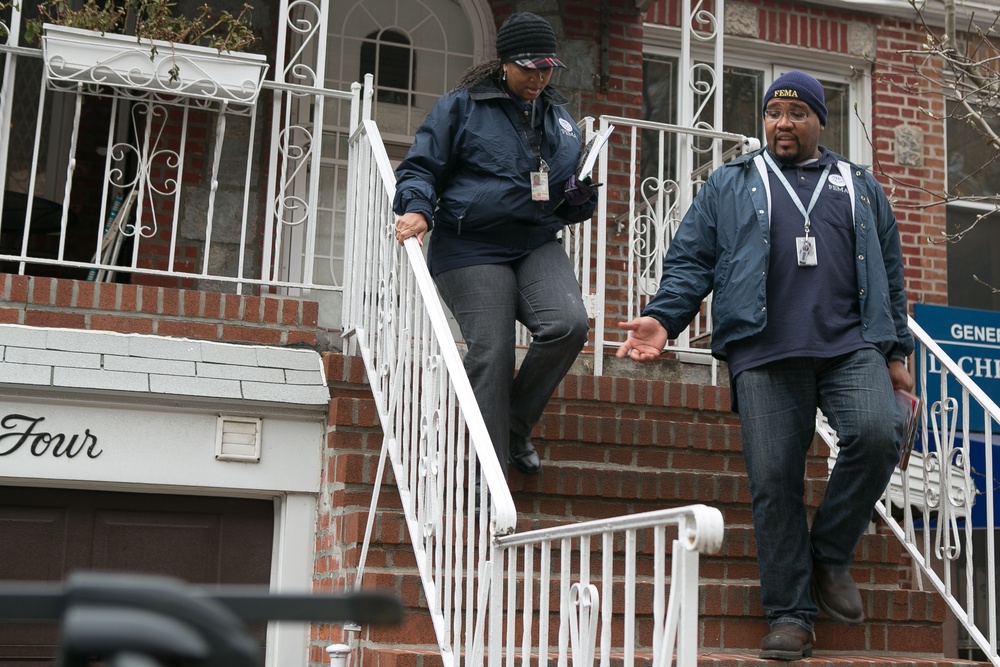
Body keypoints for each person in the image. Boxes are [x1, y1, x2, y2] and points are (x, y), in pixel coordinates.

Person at [615, 71, 914, 660]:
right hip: (763, 347)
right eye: (775, 113)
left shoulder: (857, 185)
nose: (783, 123)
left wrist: (897, 351)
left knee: (880, 432)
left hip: (850, 346)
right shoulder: (730, 182)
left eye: (797, 114)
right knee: (775, 482)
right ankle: (790, 615)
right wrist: (663, 318)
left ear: (818, 121)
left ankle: (828, 553)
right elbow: (691, 259)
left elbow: (891, 271)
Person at [392, 12, 598, 481]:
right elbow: (420, 166)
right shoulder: (461, 106)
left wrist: (580, 197)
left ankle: (511, 428)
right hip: (471, 245)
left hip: (535, 242)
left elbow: (565, 197)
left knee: (568, 325)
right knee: (494, 348)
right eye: (528, 67)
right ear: (503, 62)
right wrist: (419, 208)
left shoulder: (561, 119)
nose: (538, 78)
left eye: (546, 68)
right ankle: (484, 477)